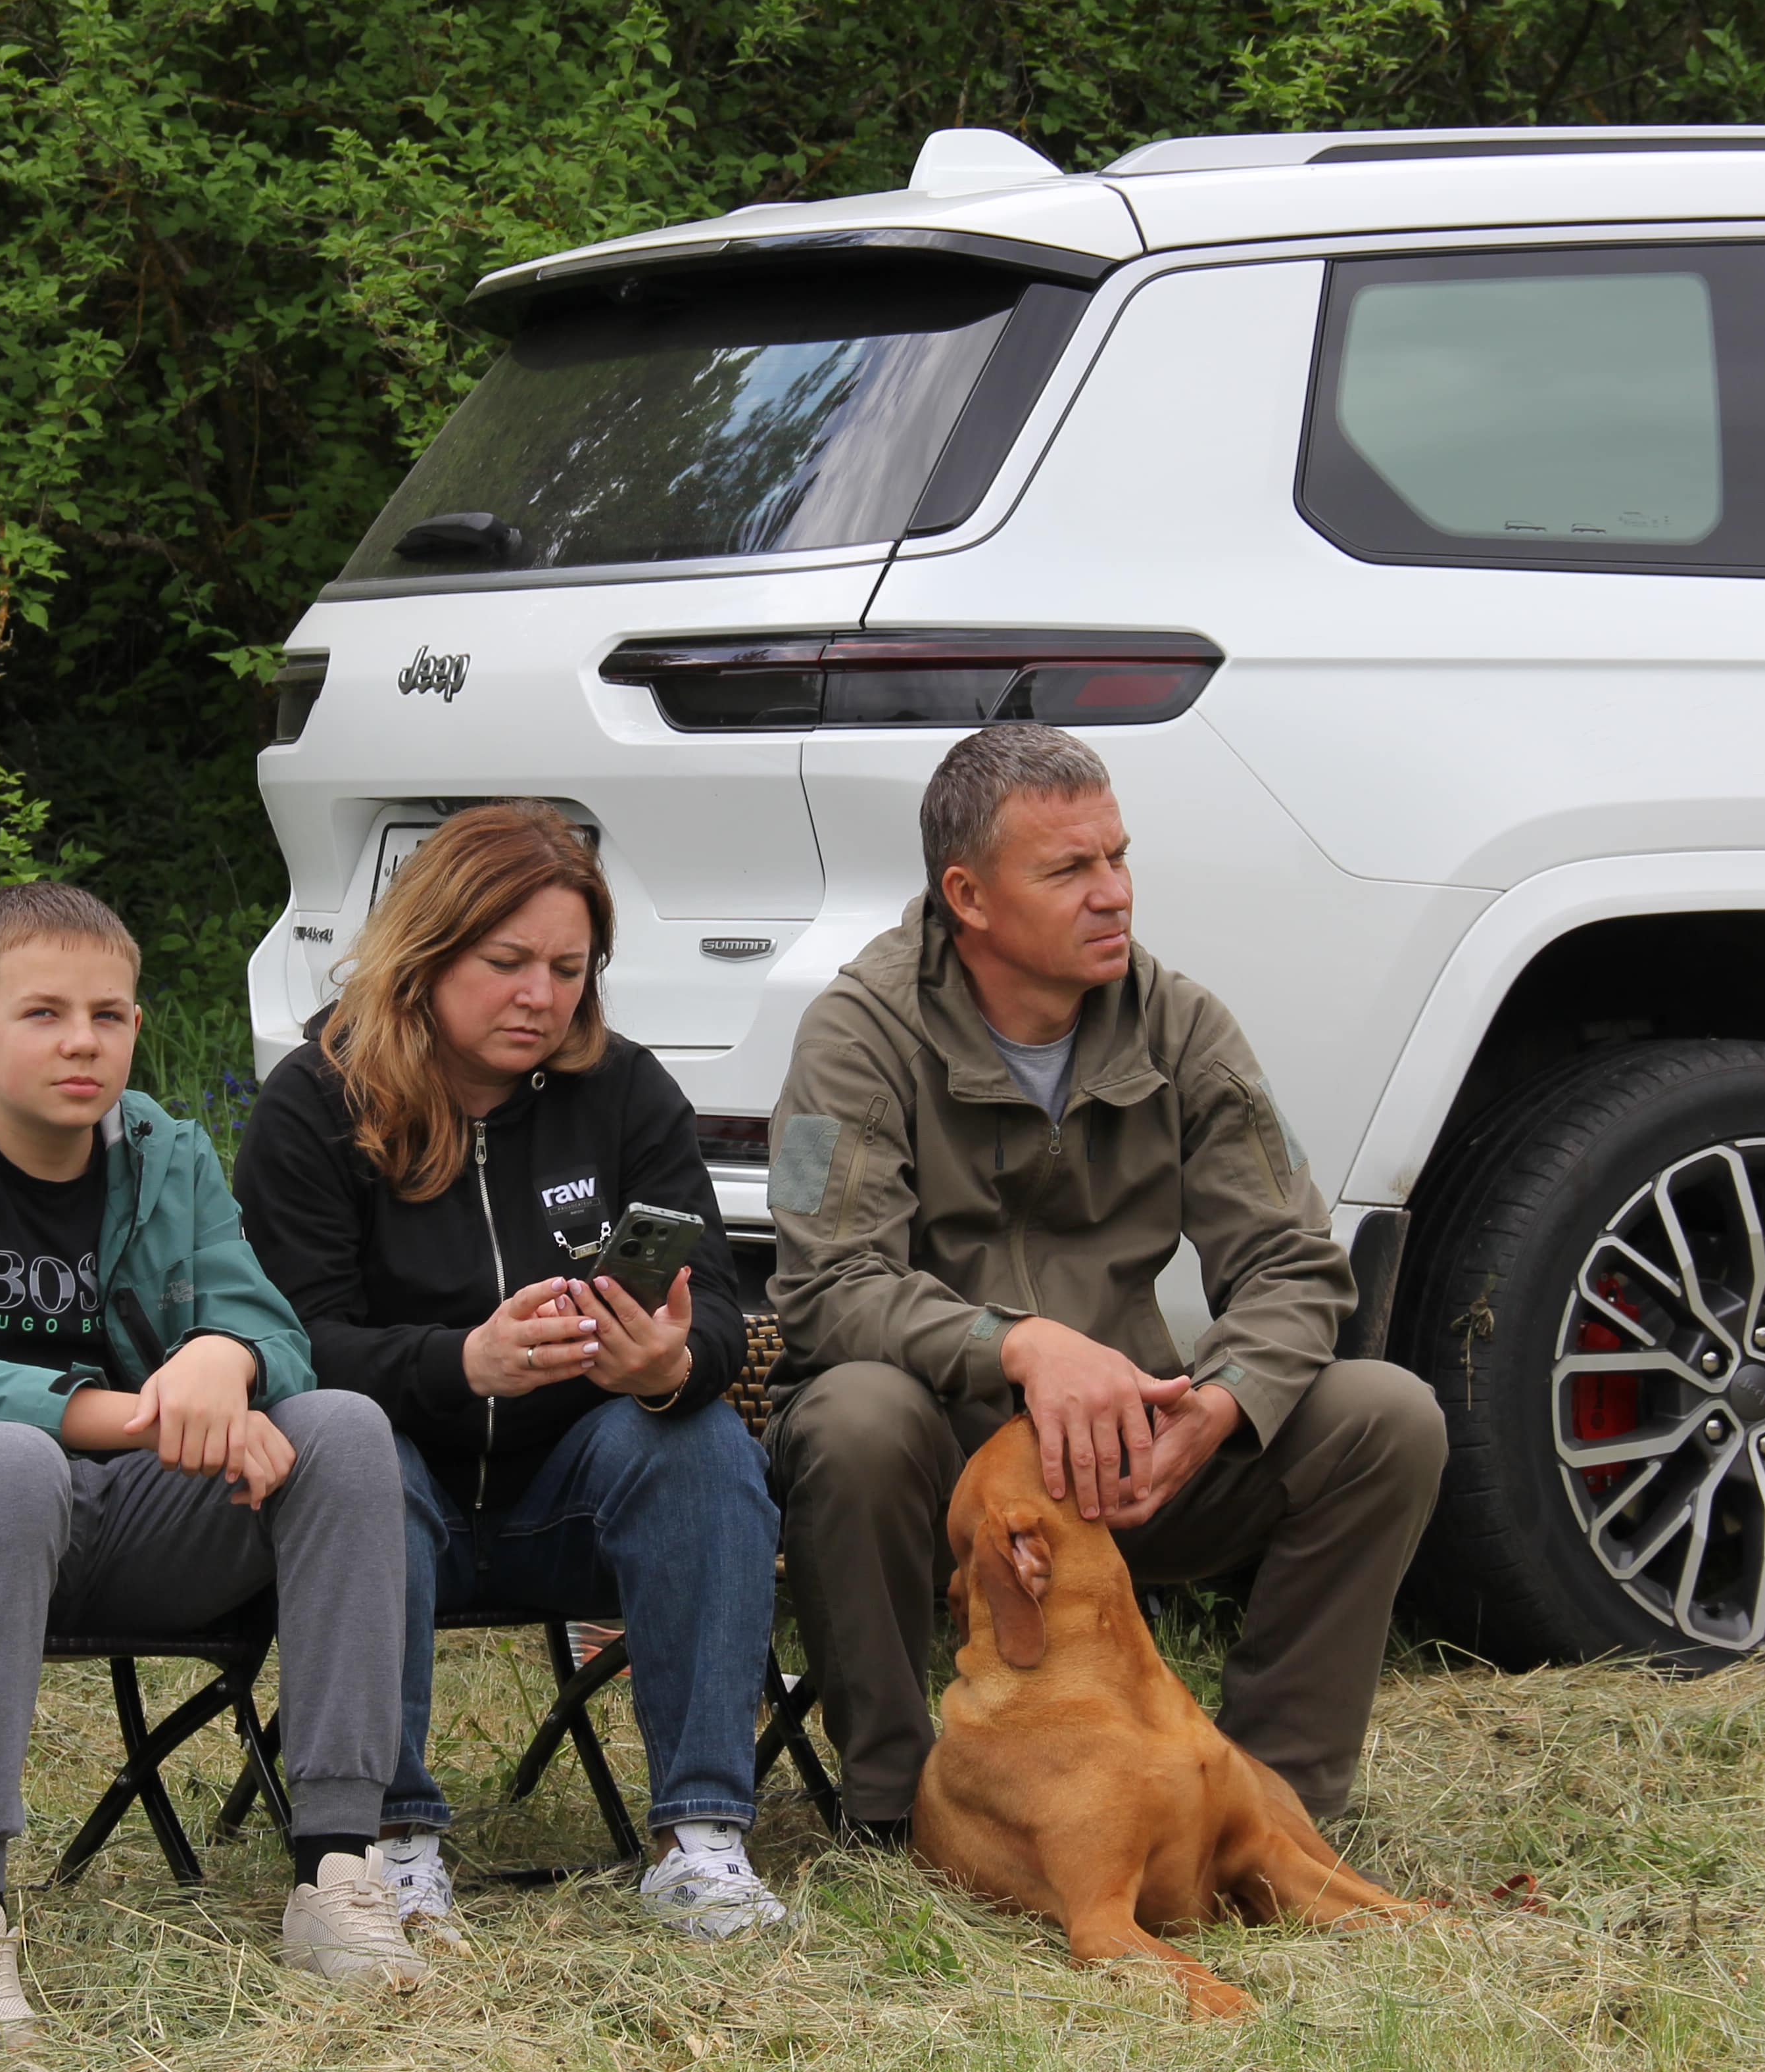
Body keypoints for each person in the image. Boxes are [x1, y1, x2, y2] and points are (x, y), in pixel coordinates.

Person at [0, 882, 426, 2045]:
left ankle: (338, 1871)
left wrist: (223, 1355)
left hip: (132, 1530)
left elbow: (276, 1333)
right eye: (44, 1013)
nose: (82, 1042)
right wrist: (143, 1415)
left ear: (136, 1027)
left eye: (109, 1015)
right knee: (9, 1461)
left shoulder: (166, 1157)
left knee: (346, 1430)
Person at [765, 724, 1448, 1846]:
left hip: (1136, 1455)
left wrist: (1221, 1402)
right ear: (969, 897)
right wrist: (1018, 1345)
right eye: (1069, 869)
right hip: (953, 1461)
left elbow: (1295, 1262)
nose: (1114, 894)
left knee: (1386, 1415)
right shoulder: (856, 1033)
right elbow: (827, 1285)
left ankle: (1269, 1808)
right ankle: (897, 1811)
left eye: (1118, 857)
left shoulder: (1181, 1022)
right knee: (853, 1420)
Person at [234, 804, 790, 1944]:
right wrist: (463, 1362)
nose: (542, 996)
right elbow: (285, 1344)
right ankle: (390, 1841)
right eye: (508, 963)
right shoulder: (317, 1101)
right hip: (398, 1498)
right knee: (356, 1451)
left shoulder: (624, 1092)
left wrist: (670, 1361)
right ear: (428, 952)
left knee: (698, 1438)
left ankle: (701, 1841)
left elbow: (723, 1309)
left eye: (569, 971)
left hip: (574, 1490)